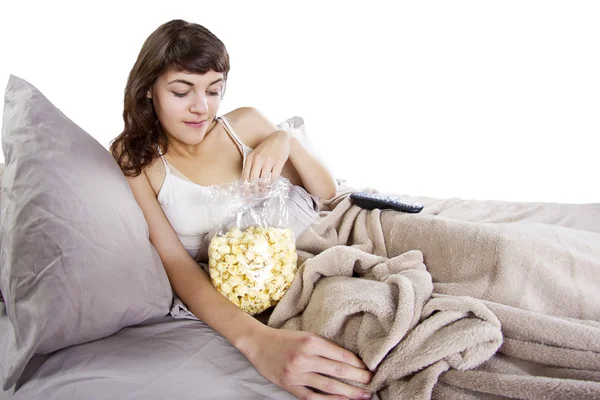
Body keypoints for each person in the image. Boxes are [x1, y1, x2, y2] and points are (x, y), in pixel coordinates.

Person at [110, 19, 373, 400]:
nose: (202, 107)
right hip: (254, 291)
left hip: (319, 241)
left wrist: (284, 139)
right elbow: (173, 260)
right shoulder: (138, 160)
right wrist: (255, 340)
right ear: (149, 90)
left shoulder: (243, 124)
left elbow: (326, 192)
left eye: (214, 91)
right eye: (182, 91)